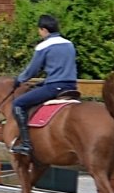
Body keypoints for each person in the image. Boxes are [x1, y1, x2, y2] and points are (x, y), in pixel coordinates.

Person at [9, 14, 78, 155]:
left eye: (39, 30)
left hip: (54, 87)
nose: (39, 33)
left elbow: (32, 70)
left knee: (18, 104)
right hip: (71, 86)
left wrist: (19, 79)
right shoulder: (69, 44)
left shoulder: (44, 46)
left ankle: (26, 144)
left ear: (44, 30)